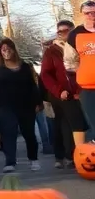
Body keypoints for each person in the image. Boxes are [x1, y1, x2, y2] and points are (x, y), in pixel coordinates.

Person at [0, 37, 42, 174]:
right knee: (8, 134)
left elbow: (32, 86)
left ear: (13, 50)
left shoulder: (24, 67)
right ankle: (10, 161)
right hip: (6, 106)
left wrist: (38, 102)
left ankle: (33, 159)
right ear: (0, 52)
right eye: (3, 50)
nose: (6, 52)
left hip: (26, 105)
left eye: (8, 49)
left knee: (29, 133)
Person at [41, 20, 86, 167]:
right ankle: (69, 155)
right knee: (68, 124)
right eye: (60, 31)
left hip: (83, 90)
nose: (63, 33)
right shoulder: (52, 51)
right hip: (62, 93)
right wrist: (59, 90)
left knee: (76, 123)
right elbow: (46, 74)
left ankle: (71, 154)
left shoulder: (80, 46)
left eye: (67, 30)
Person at [67, 0, 95, 141]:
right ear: (82, 14)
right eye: (87, 13)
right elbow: (70, 62)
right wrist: (75, 87)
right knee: (92, 123)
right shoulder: (75, 34)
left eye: (94, 12)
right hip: (86, 88)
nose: (91, 15)